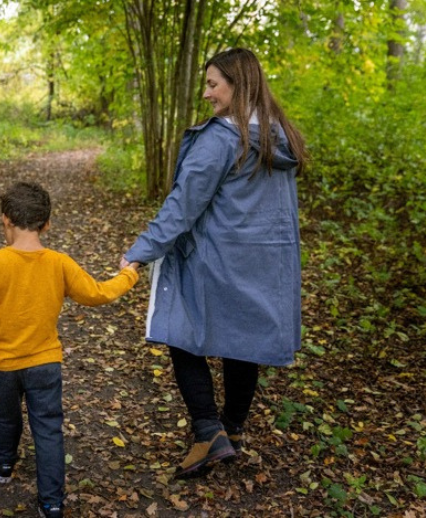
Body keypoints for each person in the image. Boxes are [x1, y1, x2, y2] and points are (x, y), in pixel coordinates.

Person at [120, 48, 308, 479]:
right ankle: (233, 429)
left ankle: (209, 431)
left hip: (217, 257)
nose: (206, 93)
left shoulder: (223, 138)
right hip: (264, 261)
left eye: (212, 84)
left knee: (181, 332)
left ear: (238, 85)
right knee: (246, 342)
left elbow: (183, 206)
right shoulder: (280, 136)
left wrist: (140, 251)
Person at [0, 181, 139, 517]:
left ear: (6, 221)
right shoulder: (59, 263)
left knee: (6, 414)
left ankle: (4, 466)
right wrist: (129, 274)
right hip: (45, 364)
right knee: (48, 428)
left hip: (5, 364)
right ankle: (51, 503)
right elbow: (98, 293)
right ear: (47, 224)